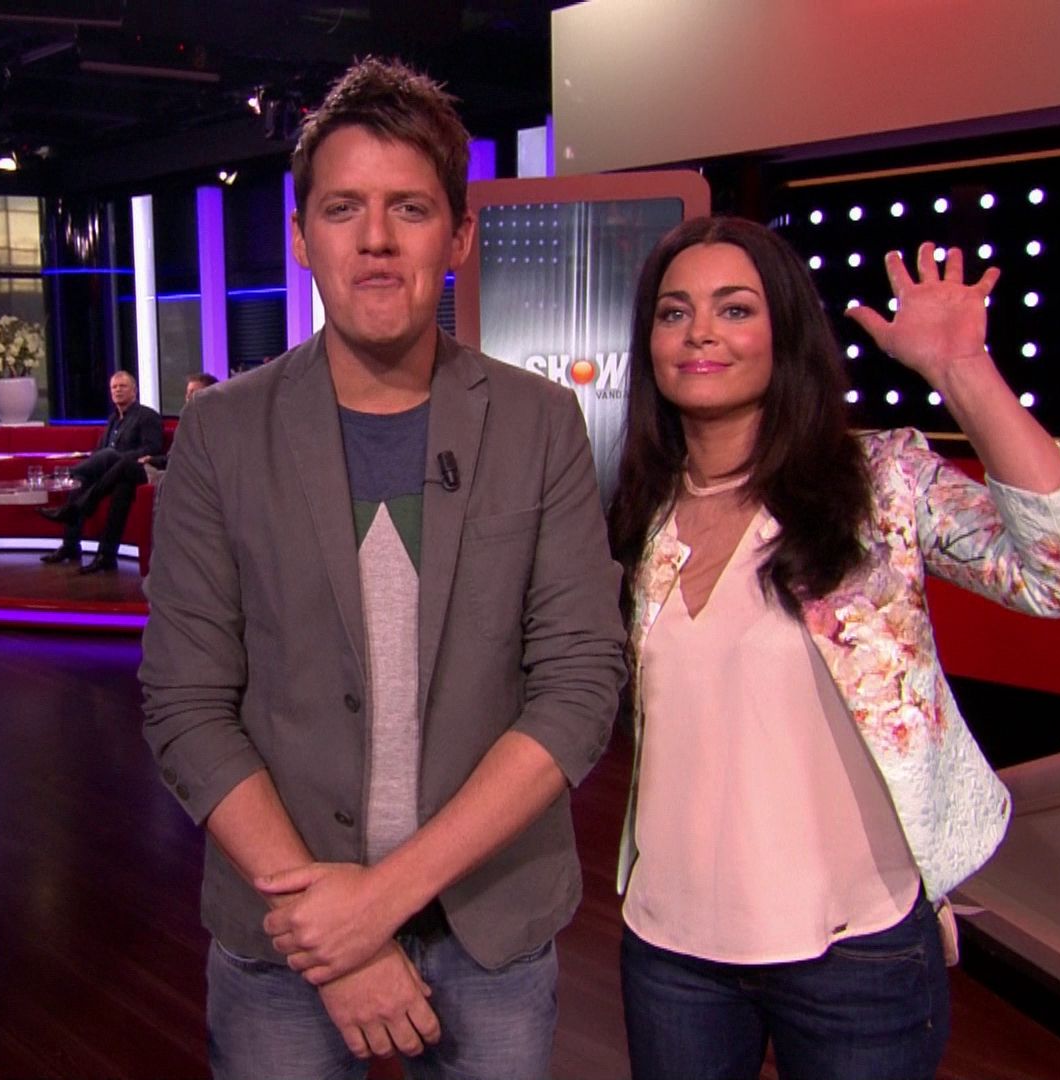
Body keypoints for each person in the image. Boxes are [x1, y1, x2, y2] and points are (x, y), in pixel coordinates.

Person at [139, 57, 627, 1079]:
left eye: (409, 208)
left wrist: (379, 903)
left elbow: (579, 684)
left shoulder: (540, 424)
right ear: (300, 236)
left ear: (458, 236)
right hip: (287, 931)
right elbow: (186, 703)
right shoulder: (222, 433)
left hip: (489, 927)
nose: (375, 239)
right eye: (343, 209)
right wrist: (335, 933)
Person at [606, 216, 1060, 1080]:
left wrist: (962, 369)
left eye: (734, 309)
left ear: (785, 335)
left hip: (857, 953)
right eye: (674, 312)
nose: (699, 332)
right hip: (672, 953)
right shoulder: (640, 512)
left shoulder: (879, 483)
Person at [40, 369, 163, 572]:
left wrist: (120, 457)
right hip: (109, 473)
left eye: (122, 386)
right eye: (114, 387)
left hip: (133, 469)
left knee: (112, 461)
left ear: (134, 390)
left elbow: (153, 447)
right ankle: (71, 546)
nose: (117, 390)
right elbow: (99, 451)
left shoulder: (147, 416)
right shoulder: (113, 419)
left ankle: (62, 476)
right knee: (81, 480)